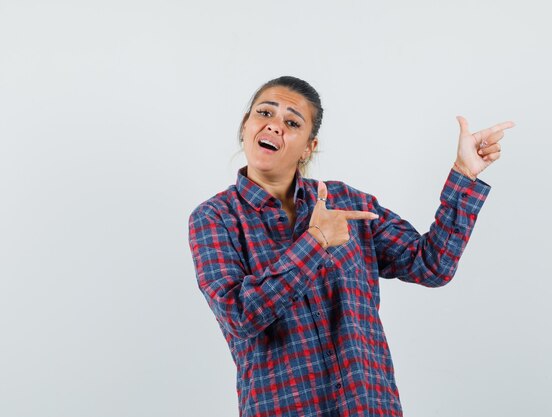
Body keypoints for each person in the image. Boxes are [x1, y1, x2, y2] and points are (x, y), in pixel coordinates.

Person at [187, 75, 515, 417]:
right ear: (245, 126)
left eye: (291, 122)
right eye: (264, 113)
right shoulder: (214, 218)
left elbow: (432, 265)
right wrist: (315, 242)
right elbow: (240, 316)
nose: (273, 127)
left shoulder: (346, 201)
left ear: (308, 148)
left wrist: (464, 174)